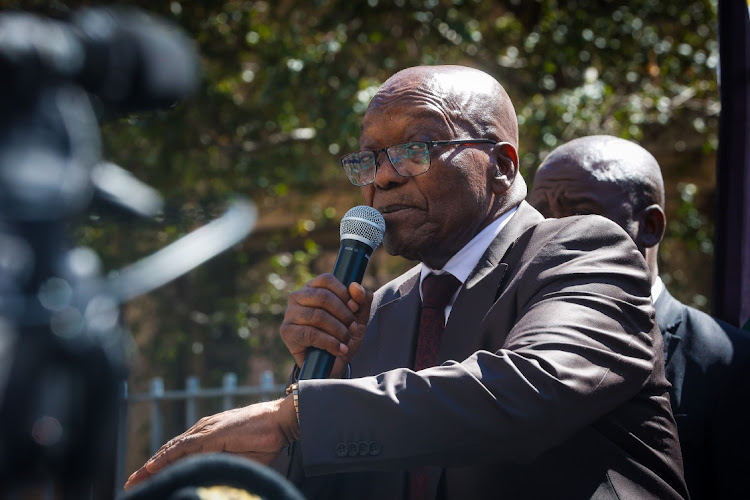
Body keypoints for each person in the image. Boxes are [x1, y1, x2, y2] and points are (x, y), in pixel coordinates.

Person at [125, 66, 689, 499]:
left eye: (415, 150)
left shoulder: (583, 250)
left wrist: (296, 413)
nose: (384, 176)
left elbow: (526, 391)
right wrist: (322, 376)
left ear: (501, 164)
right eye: (368, 160)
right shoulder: (387, 307)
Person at [528, 134, 750, 500]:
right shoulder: (505, 341)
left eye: (582, 213)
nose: (554, 233)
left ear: (649, 226)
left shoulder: (728, 364)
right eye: (542, 215)